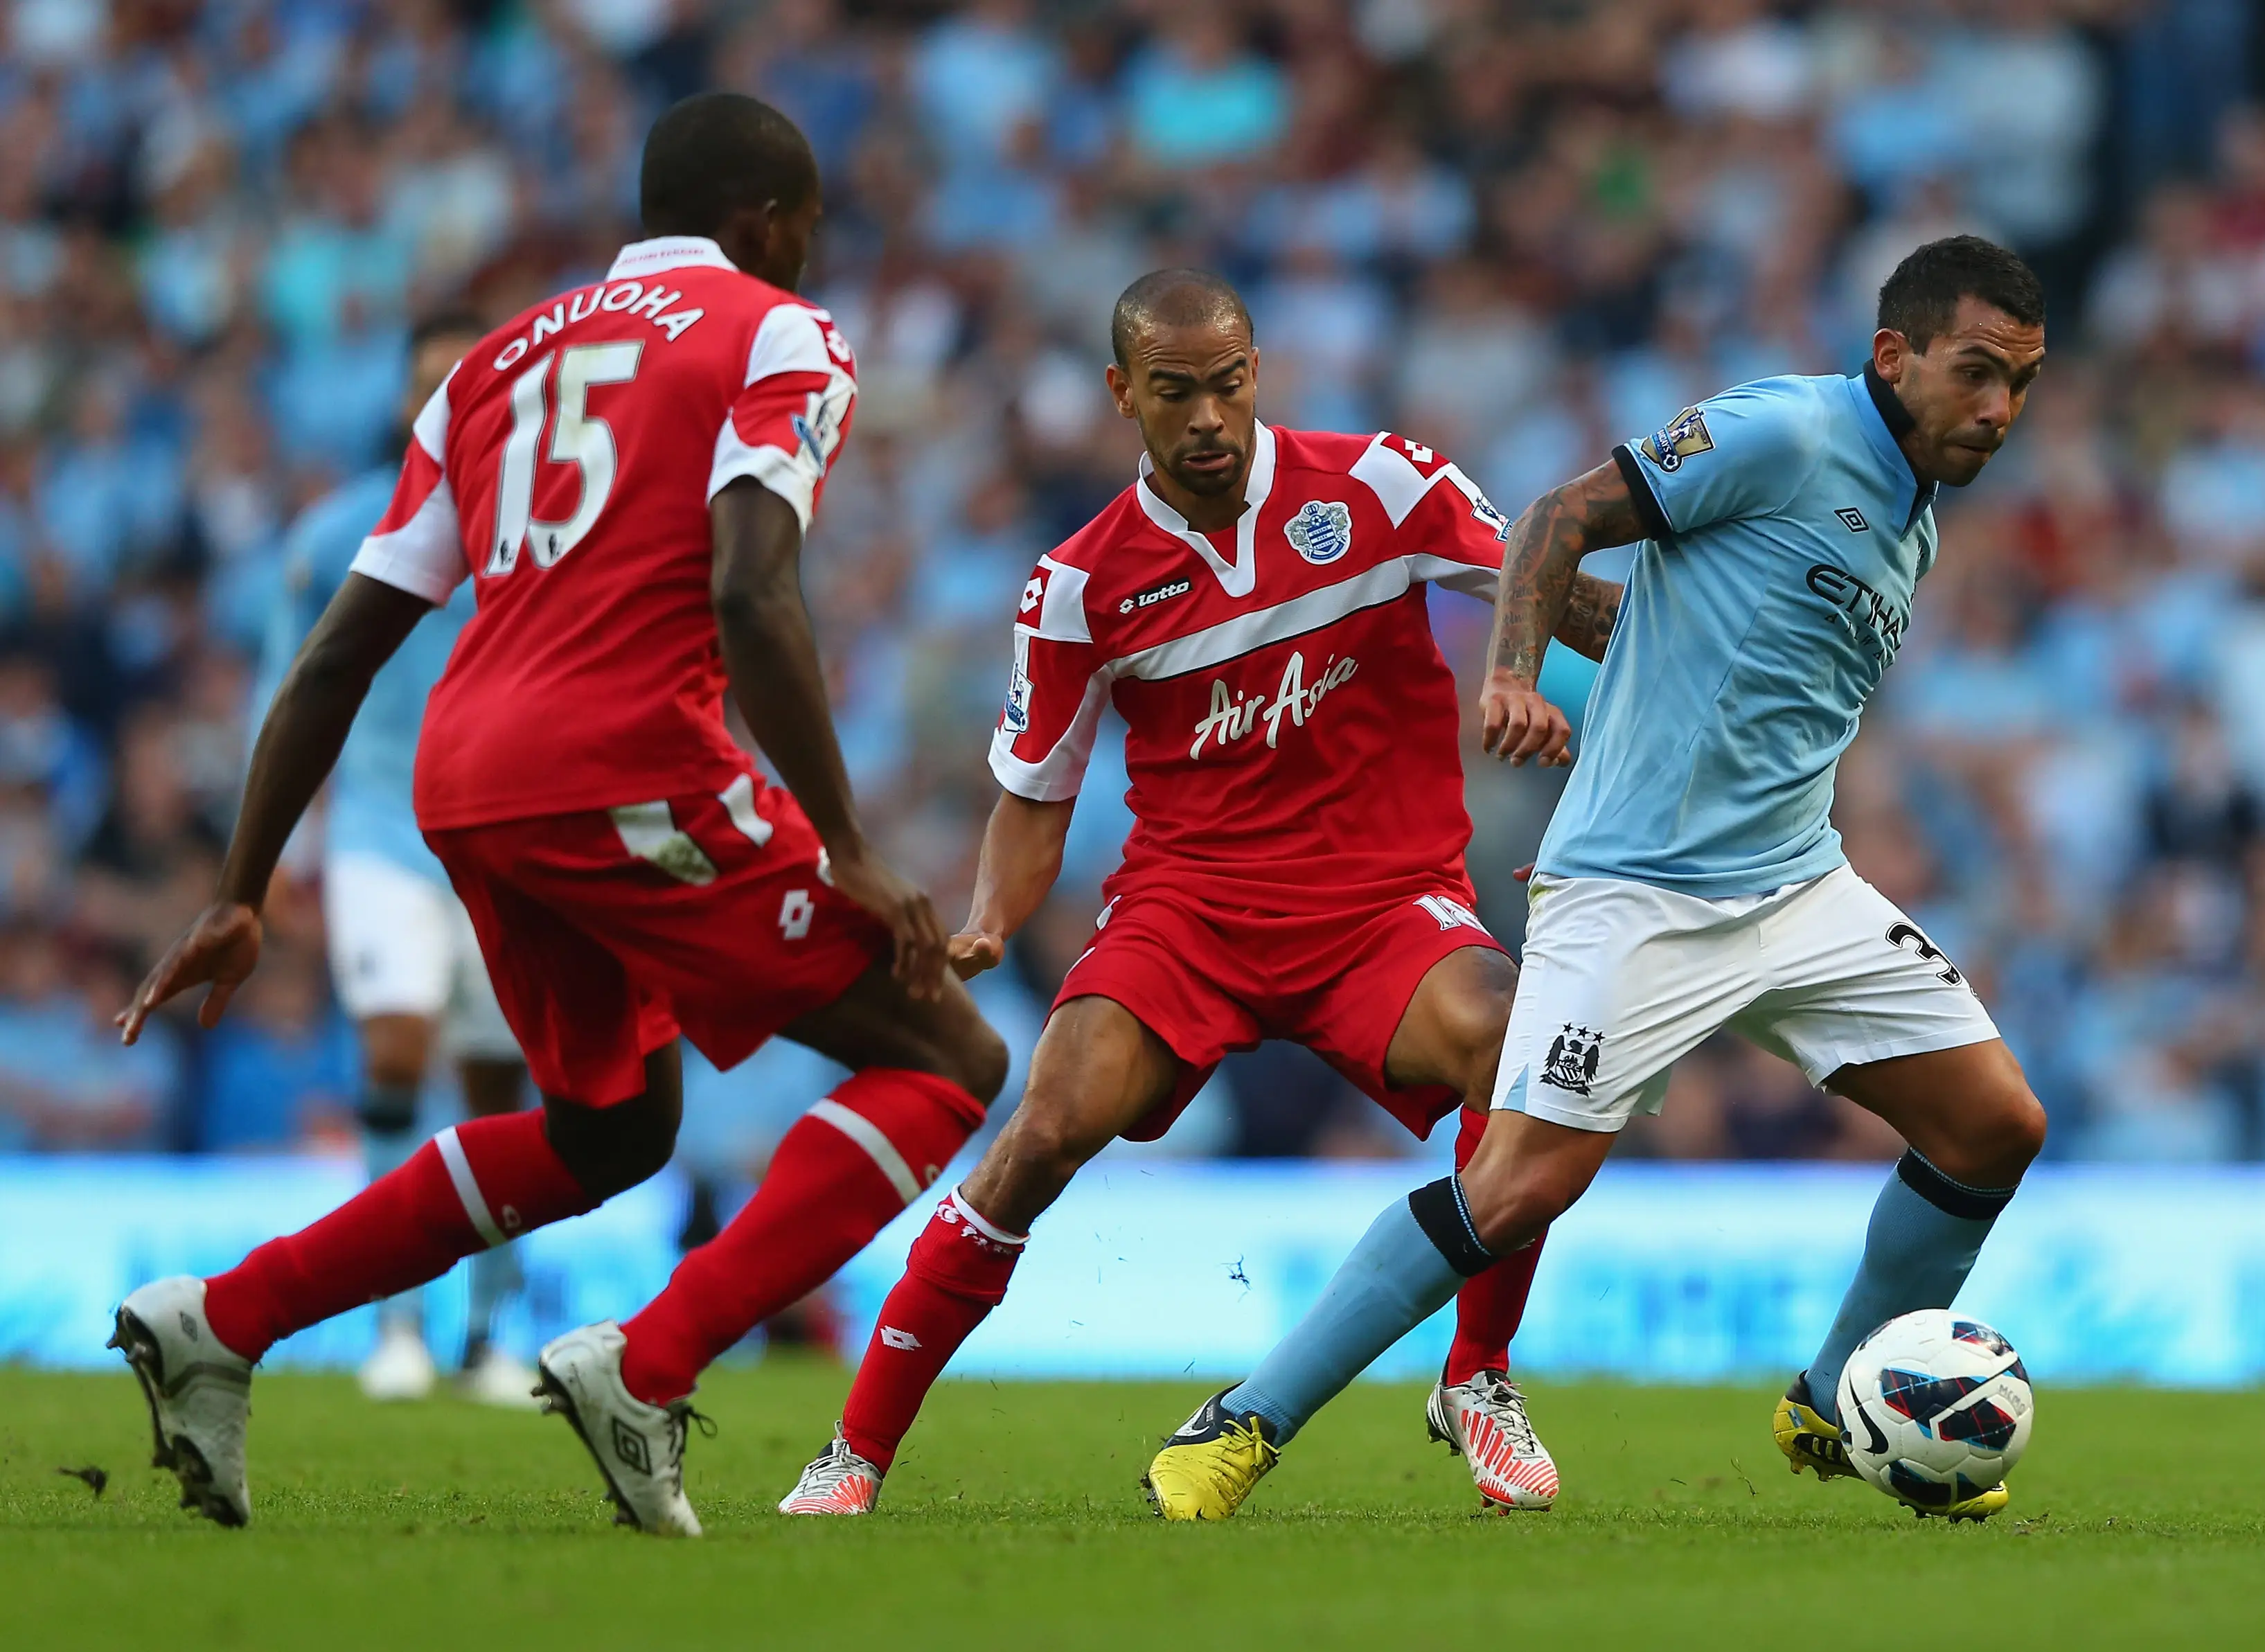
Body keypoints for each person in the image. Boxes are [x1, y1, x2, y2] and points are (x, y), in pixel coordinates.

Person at [108, 91, 1006, 1536]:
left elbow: (340, 645)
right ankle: (645, 1371)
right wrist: (845, 839)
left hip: (465, 784)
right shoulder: (778, 333)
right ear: (764, 225)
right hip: (625, 763)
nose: (809, 256)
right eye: (808, 232)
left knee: (610, 1130)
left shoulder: (489, 366)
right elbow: (748, 587)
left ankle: (222, 1319)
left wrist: (241, 883)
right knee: (949, 1056)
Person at [1144, 236, 2052, 1522]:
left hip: (1796, 885)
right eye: (1974, 374)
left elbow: (1728, 661)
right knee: (1517, 1186)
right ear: (1893, 356)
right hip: (1634, 893)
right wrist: (1510, 673)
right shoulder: (1782, 432)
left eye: (2019, 384)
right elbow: (1558, 519)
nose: (1998, 411)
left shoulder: (1912, 514)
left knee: (1995, 1124)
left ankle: (1834, 1391)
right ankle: (1239, 1423)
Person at [774, 269, 1623, 1519]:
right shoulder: (1077, 584)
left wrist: (1680, 637)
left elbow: (1549, 590)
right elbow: (1035, 789)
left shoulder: (1383, 486)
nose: (1209, 419)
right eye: (1175, 394)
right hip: (1191, 919)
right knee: (1047, 1127)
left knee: (1516, 1049)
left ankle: (1478, 1378)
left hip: (1380, 908)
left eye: (1227, 385)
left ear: (1257, 371)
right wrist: (992, 921)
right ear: (1125, 393)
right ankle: (854, 1452)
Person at [261, 310, 538, 1407]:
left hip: (507, 838)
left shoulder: (540, 525)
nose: (449, 401)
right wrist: (281, 834)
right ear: (403, 401)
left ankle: (490, 1333)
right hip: (380, 826)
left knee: (496, 1085)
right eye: (432, 384)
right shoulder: (336, 531)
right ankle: (396, 1328)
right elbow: (288, 683)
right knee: (393, 1048)